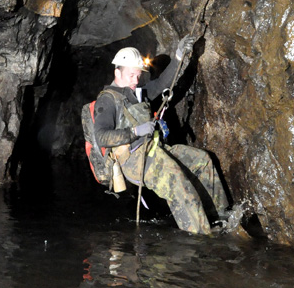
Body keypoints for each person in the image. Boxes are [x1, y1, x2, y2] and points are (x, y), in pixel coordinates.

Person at [92, 38, 229, 234]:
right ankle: (200, 237)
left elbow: (164, 83)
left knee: (203, 160)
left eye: (138, 76)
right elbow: (102, 137)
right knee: (177, 182)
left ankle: (219, 219)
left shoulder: (136, 93)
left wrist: (179, 56)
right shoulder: (107, 100)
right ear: (117, 72)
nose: (135, 81)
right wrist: (135, 132)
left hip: (154, 149)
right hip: (133, 159)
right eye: (131, 75)